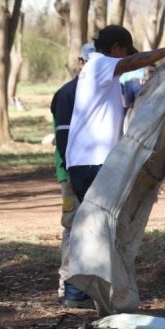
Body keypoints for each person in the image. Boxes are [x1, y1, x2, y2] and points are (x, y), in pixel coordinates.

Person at [64, 25, 165, 304]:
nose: (127, 61)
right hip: (90, 161)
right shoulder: (99, 64)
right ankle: (79, 291)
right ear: (116, 47)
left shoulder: (101, 75)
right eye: (125, 52)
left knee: (95, 223)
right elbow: (133, 62)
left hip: (90, 161)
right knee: (96, 224)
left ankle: (85, 291)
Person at [50, 42, 95, 308]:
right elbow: (64, 138)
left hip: (92, 170)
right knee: (73, 226)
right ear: (80, 62)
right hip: (71, 172)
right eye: (89, 63)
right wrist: (73, 174)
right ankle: (69, 285)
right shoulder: (68, 94)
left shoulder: (105, 90)